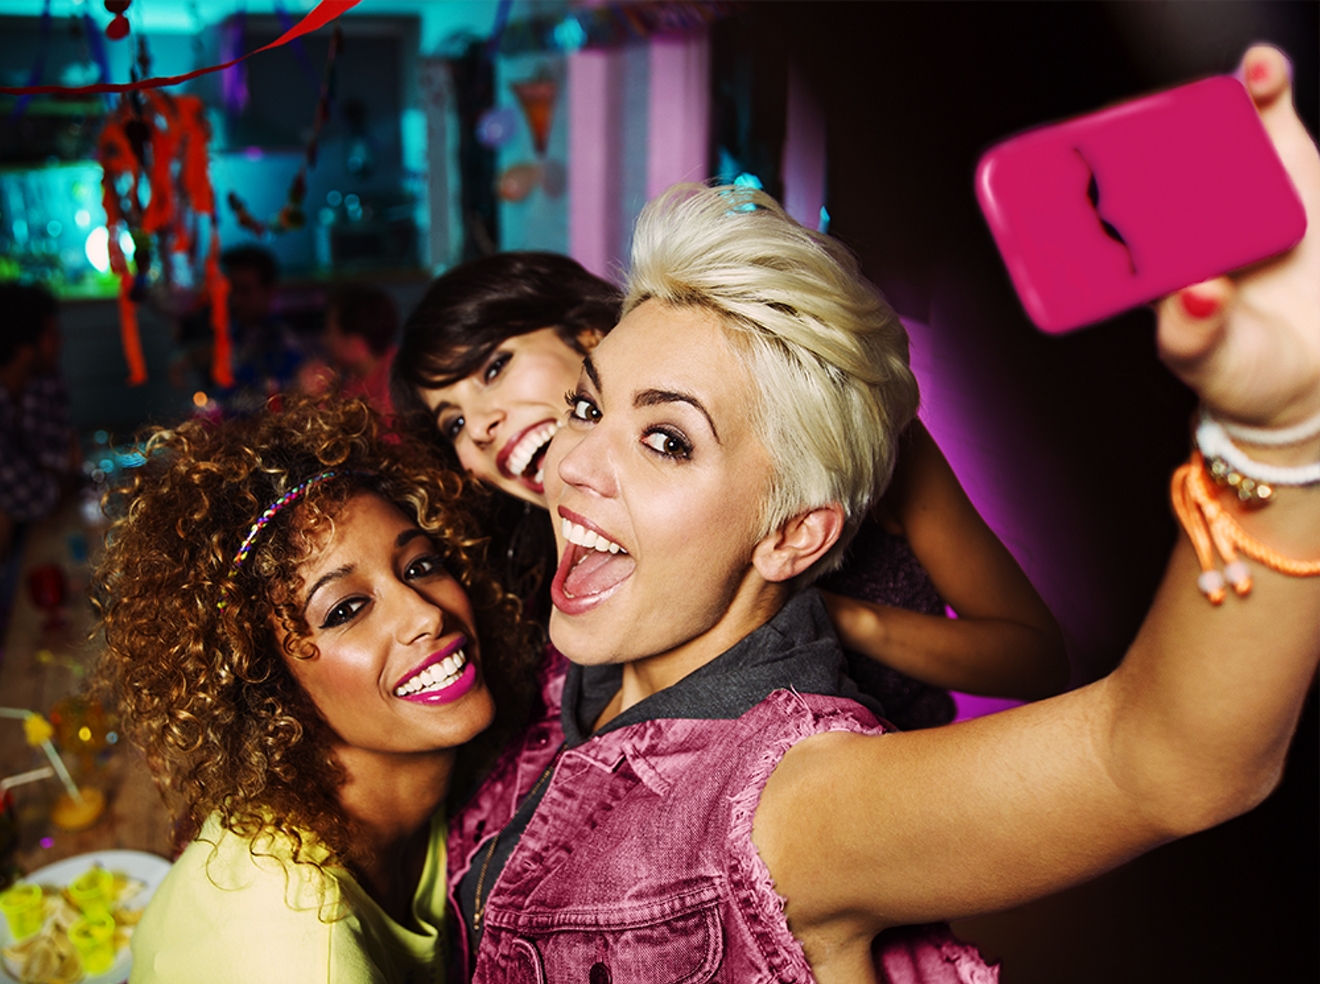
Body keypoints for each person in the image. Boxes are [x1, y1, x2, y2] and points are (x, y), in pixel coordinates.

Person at [445, 46, 1320, 984]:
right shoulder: (582, 671)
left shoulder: (786, 800)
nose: (572, 463)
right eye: (587, 408)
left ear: (795, 535)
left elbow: (1161, 758)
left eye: (668, 440)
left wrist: (1282, 430)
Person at [393, 253, 1067, 724]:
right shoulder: (535, 596)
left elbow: (1033, 660)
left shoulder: (833, 435)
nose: (480, 427)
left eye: (494, 368)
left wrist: (833, 617)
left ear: (593, 335)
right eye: (452, 423)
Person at [91, 394, 539, 984]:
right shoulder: (302, 954)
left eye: (420, 566)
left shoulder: (434, 799)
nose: (425, 614)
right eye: (346, 609)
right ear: (266, 680)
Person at [173, 245, 308, 415]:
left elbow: (276, 407)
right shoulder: (238, 331)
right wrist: (187, 358)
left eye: (245, 291)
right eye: (231, 290)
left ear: (269, 291)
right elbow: (223, 350)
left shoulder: (282, 344)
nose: (236, 300)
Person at [0, 282, 79, 558]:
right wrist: (64, 481)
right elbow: (36, 499)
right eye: (52, 334)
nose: (60, 341)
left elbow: (61, 456)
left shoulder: (38, 383)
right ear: (24, 349)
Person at [299, 283, 400, 416]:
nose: (325, 339)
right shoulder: (353, 383)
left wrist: (313, 402)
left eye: (330, 331)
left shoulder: (397, 384)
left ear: (355, 344)